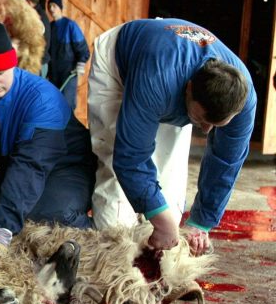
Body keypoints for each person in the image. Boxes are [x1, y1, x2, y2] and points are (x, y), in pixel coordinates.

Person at [88, 18, 256, 256]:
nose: (206, 130)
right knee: (114, 161)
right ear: (188, 88)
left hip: (172, 68)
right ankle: (113, 255)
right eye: (200, 121)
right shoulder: (157, 79)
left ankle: (162, 249)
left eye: (215, 125)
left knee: (170, 170)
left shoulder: (243, 100)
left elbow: (226, 163)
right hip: (121, 62)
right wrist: (162, 221)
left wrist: (201, 223)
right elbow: (130, 157)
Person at [0, 21, 96, 248]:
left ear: (12, 63)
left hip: (66, 169)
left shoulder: (42, 98)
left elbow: (30, 166)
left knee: (45, 214)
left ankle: (94, 230)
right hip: (14, 169)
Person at [46, 0, 89, 110]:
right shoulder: (50, 27)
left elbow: (82, 46)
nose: (51, 9)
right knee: (54, 103)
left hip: (68, 72)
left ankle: (69, 127)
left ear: (60, 8)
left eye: (54, 6)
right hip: (54, 73)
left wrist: (81, 63)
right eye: (49, 6)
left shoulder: (70, 25)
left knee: (67, 103)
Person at [20, 0, 51, 78]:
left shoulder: (36, 17)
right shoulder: (40, 14)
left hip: (36, 64)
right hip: (39, 62)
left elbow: (31, 39)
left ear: (28, 2)